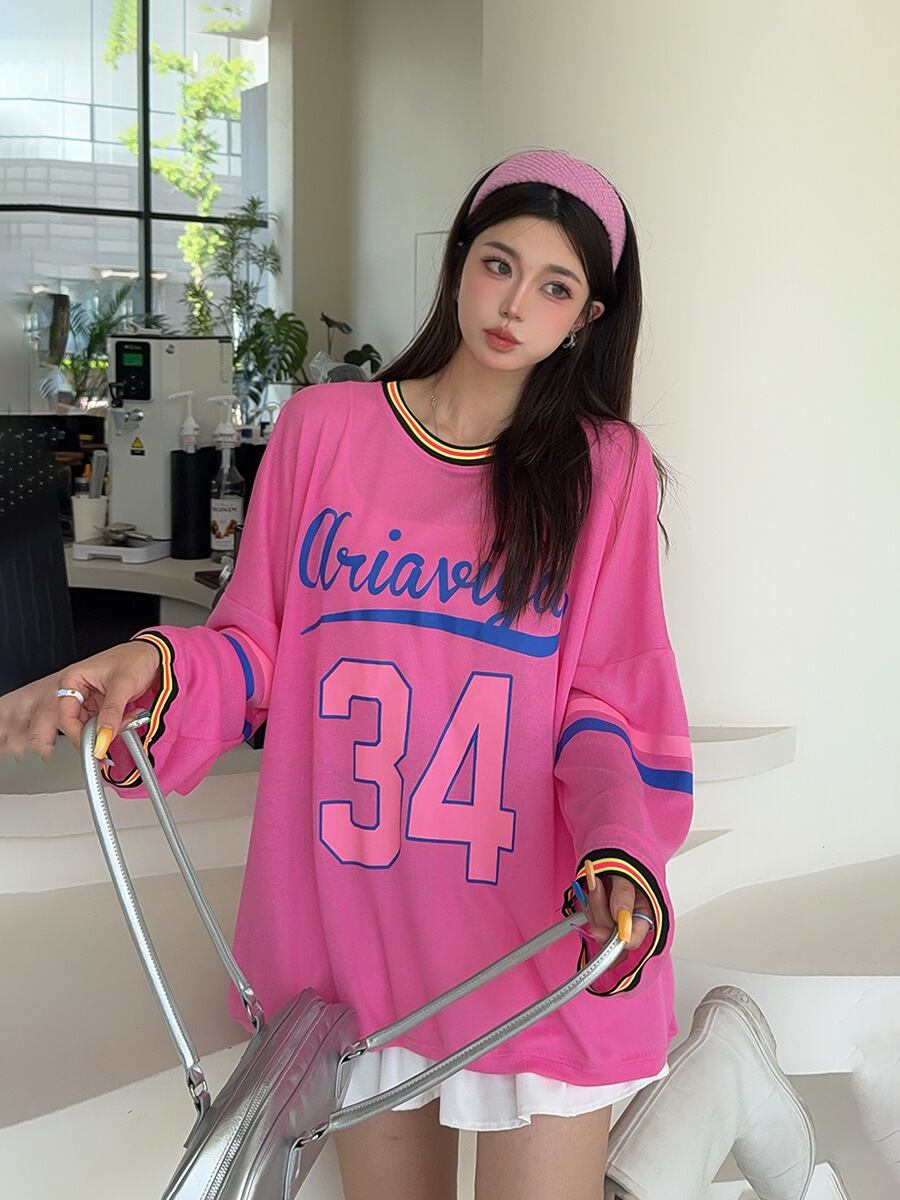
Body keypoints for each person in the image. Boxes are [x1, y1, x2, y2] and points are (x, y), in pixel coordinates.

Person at [0, 148, 694, 1200]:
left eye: (555, 288)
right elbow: (256, 648)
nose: (515, 306)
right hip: (360, 939)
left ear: (587, 318)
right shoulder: (324, 432)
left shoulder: (606, 471)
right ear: (459, 263)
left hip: (537, 942)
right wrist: (150, 659)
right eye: (499, 265)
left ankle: (717, 1091)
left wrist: (618, 845)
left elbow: (607, 699)